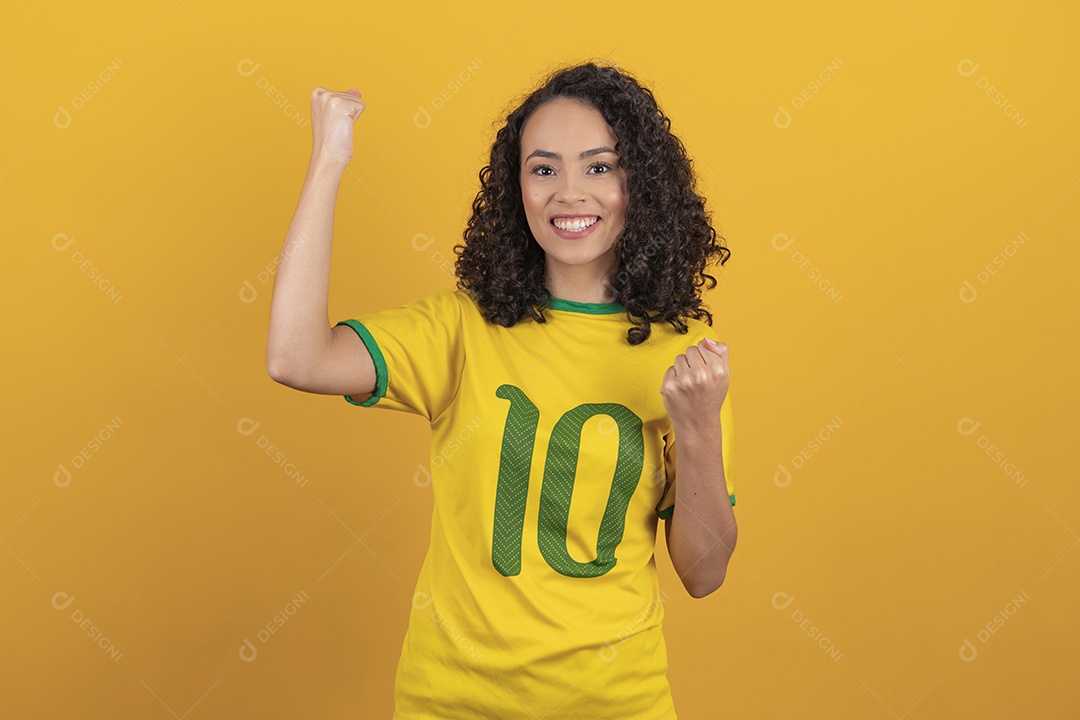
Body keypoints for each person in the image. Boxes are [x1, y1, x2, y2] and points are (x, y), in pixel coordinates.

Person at [267, 61, 737, 720]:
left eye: (599, 167)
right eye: (543, 169)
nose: (569, 193)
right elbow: (296, 357)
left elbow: (704, 574)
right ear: (517, 189)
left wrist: (699, 427)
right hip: (452, 703)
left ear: (641, 183)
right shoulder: (461, 328)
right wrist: (329, 161)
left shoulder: (682, 356)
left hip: (615, 705)